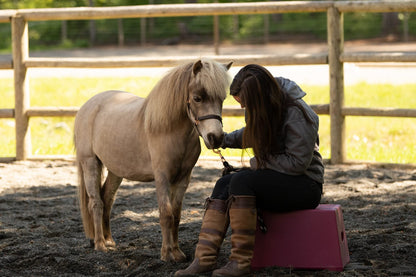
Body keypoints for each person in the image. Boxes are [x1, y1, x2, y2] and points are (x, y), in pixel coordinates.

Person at [175, 64, 324, 277]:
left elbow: (297, 163)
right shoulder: (267, 105)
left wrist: (256, 164)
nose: (245, 109)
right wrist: (223, 140)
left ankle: (240, 262)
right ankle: (204, 258)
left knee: (241, 182)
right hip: (280, 177)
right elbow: (255, 133)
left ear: (258, 97)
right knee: (224, 184)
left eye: (246, 105)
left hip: (305, 185)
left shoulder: (299, 114)